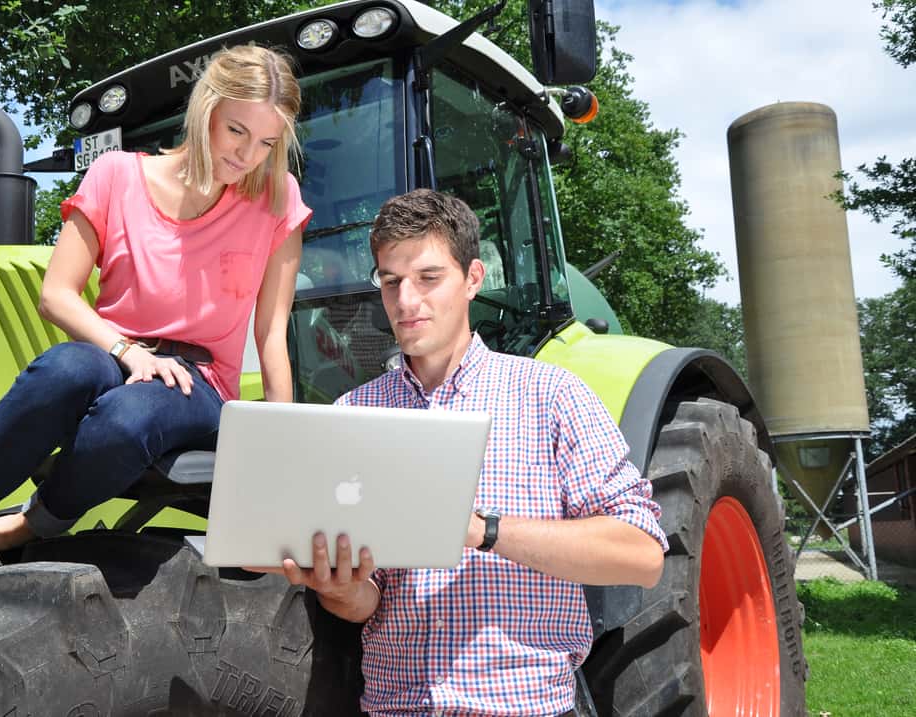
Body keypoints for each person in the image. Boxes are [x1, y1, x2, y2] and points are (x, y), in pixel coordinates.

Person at [0, 44, 312, 641]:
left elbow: (270, 331)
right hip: (116, 351)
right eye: (236, 131)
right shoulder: (116, 175)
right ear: (206, 107)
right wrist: (127, 352)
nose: (248, 155)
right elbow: (58, 296)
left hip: (201, 382)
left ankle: (29, 524)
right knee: (63, 370)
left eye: (267, 144)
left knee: (128, 417)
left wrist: (286, 451)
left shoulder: (275, 200)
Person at [277, 190, 667, 716]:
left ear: (474, 278)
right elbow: (368, 599)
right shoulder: (354, 412)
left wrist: (479, 529)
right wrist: (339, 588)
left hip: (525, 707)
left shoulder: (551, 395)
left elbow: (642, 554)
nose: (406, 301)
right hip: (396, 707)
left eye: (428, 278)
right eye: (391, 282)